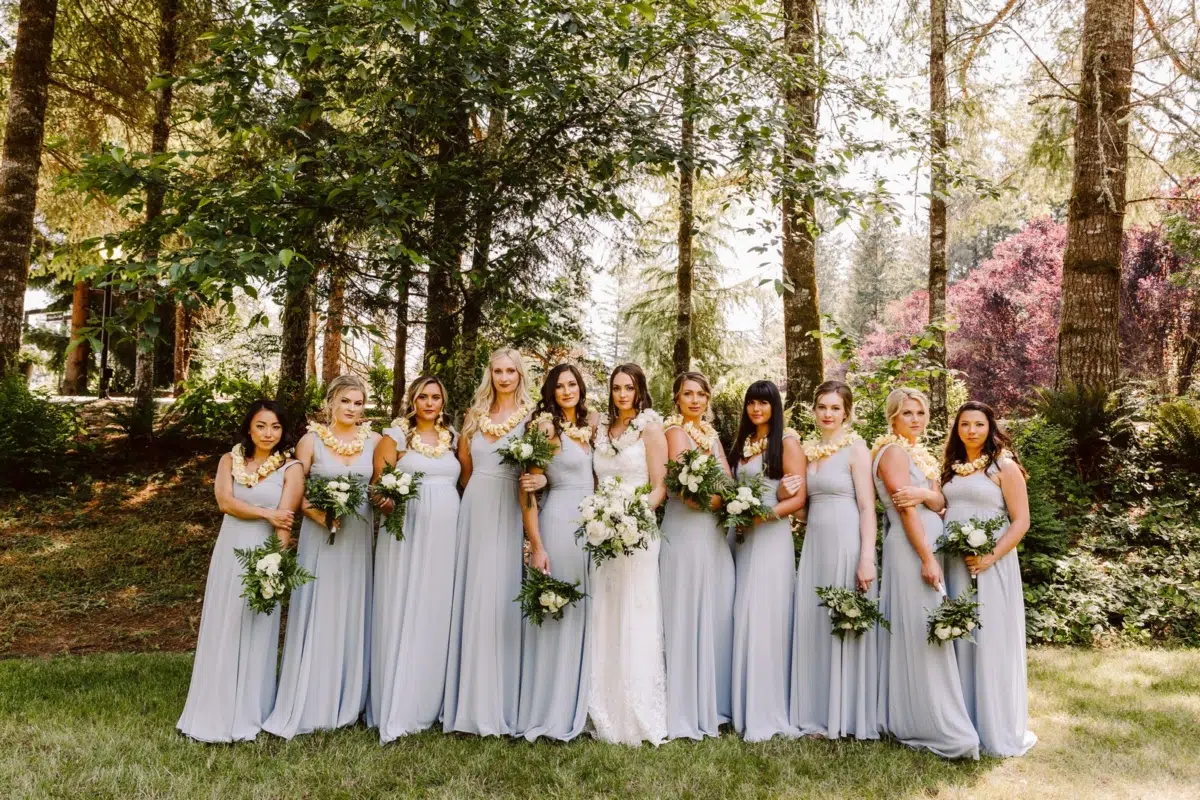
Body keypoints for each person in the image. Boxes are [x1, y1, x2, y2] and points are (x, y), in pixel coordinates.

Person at [177, 400, 302, 742]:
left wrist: (276, 565)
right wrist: (267, 513)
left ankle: (251, 712)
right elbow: (225, 503)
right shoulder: (228, 461)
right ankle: (212, 709)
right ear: (249, 428)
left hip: (264, 555)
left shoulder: (291, 468)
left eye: (275, 426)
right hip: (230, 552)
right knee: (225, 624)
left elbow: (285, 522)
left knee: (256, 627)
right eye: (261, 425)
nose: (268, 433)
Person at [264, 374, 379, 739]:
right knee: (320, 606)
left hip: (358, 538)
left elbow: (382, 486)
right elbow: (296, 493)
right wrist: (322, 516)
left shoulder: (375, 441)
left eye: (358, 403)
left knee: (352, 608)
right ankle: (311, 699)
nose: (352, 409)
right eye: (345, 401)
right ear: (331, 402)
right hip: (320, 537)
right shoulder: (310, 441)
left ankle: (349, 699)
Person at [872, 387, 979, 759]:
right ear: (893, 417)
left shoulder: (919, 453)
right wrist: (927, 558)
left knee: (928, 629)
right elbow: (906, 511)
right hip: (912, 550)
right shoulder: (893, 452)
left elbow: (939, 501)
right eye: (907, 413)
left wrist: (925, 495)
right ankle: (930, 722)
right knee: (923, 630)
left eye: (920, 413)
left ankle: (918, 712)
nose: (915, 419)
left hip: (928, 548)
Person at [443, 347, 533, 736]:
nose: (504, 377)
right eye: (498, 371)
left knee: (499, 594)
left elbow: (538, 467)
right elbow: (465, 468)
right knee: (473, 590)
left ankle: (499, 700)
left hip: (509, 506)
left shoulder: (532, 417)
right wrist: (479, 494)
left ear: (520, 375)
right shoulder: (474, 416)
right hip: (476, 504)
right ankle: (466, 700)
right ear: (490, 375)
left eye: (511, 371)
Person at [368, 376, 462, 742]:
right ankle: (398, 699)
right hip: (405, 532)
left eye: (436, 397)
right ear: (412, 400)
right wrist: (390, 502)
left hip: (447, 534)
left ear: (443, 401)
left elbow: (466, 482)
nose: (429, 402)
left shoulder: (454, 438)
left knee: (436, 608)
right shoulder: (394, 437)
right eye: (423, 396)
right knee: (403, 603)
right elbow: (377, 488)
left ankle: (430, 699)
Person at [941, 400, 1037, 757]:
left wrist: (990, 557)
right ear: (957, 429)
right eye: (964, 424)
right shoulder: (951, 468)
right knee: (959, 635)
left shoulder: (1004, 466)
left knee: (990, 637)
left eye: (978, 424)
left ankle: (995, 725)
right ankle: (961, 722)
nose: (971, 431)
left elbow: (1021, 521)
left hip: (992, 563)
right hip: (954, 563)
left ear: (990, 427)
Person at [790, 380, 880, 740]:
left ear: (847, 413)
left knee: (843, 621)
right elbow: (803, 508)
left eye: (835, 408)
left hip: (846, 543)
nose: (828, 414)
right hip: (815, 545)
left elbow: (867, 507)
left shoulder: (856, 449)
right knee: (815, 621)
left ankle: (846, 716)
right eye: (822, 407)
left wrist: (866, 557)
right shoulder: (808, 452)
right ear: (814, 410)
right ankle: (815, 713)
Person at [514, 364, 598, 741]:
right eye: (560, 386)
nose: (567, 391)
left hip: (591, 526)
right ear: (550, 392)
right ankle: (550, 708)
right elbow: (527, 490)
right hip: (560, 524)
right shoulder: (546, 429)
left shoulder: (587, 426)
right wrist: (537, 545)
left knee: (582, 612)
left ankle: (578, 701)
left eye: (572, 384)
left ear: (581, 388)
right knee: (558, 611)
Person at [587, 363, 669, 745]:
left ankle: (636, 710)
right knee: (604, 611)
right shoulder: (600, 428)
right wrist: (603, 517)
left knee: (636, 609)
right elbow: (594, 480)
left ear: (640, 391)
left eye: (629, 388)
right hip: (602, 530)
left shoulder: (650, 428)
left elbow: (659, 488)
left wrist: (631, 516)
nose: (622, 394)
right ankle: (601, 705)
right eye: (617, 388)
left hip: (638, 529)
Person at [727, 381, 807, 741]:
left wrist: (759, 517)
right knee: (741, 614)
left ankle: (766, 709)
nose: (756, 409)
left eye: (763, 403)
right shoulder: (742, 444)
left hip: (770, 537)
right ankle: (740, 705)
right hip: (741, 538)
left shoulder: (787, 442)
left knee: (763, 617)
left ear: (775, 406)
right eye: (751, 403)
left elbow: (798, 500)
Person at [659, 371, 735, 740]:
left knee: (714, 608)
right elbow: (687, 493)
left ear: (708, 399)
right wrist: (726, 500)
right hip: (685, 531)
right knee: (685, 609)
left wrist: (727, 498)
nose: (694, 400)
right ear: (676, 398)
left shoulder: (712, 436)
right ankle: (685, 703)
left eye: (701, 394)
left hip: (713, 534)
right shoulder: (674, 432)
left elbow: (729, 481)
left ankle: (712, 700)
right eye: (687, 394)